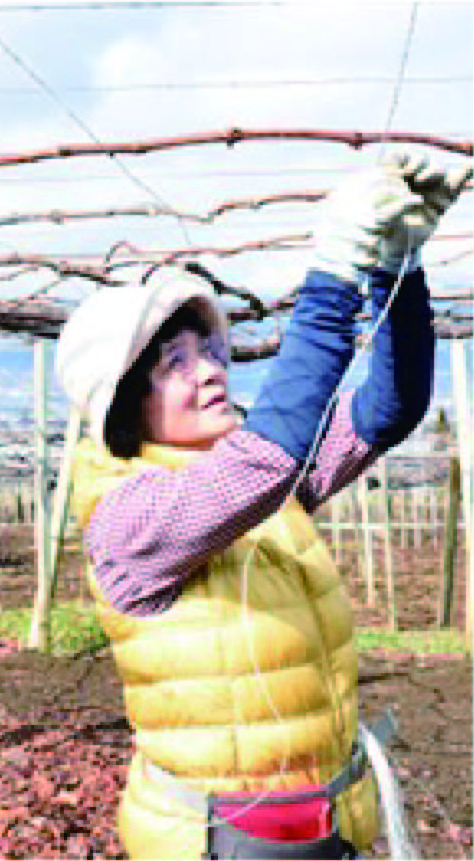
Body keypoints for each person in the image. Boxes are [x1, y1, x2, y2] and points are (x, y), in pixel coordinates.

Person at [56, 150, 471, 860]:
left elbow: (388, 409)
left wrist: (397, 270)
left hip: (329, 819)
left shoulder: (270, 489)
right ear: (125, 405)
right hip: (226, 839)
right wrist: (336, 265)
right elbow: (268, 453)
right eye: (175, 362)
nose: (211, 370)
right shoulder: (131, 519)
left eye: (212, 352)